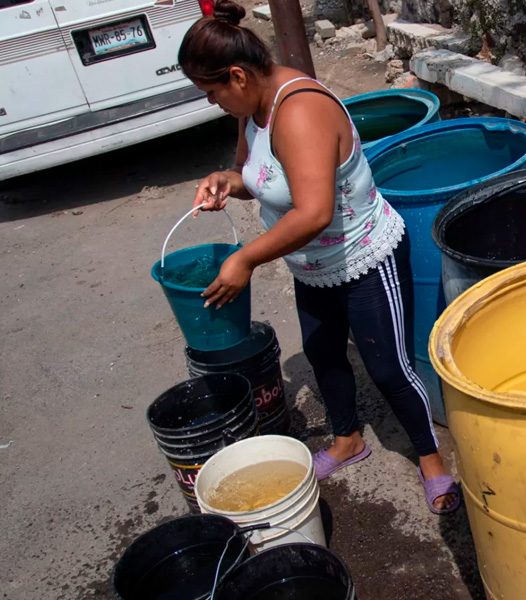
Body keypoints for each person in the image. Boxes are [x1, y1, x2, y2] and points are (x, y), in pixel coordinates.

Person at [177, 0, 460, 513]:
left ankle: (433, 462)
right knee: (324, 352)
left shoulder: (300, 110)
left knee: (390, 367)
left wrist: (244, 260)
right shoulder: (252, 110)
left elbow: (312, 213)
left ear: (237, 75)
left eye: (212, 92)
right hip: (311, 266)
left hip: (362, 257)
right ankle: (348, 439)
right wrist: (227, 182)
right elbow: (255, 180)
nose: (213, 103)